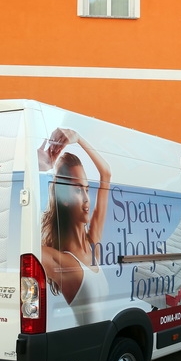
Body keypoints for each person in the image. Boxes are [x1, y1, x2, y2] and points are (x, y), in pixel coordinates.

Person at [40, 128, 111, 325]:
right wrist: (35, 166)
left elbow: (106, 173)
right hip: (86, 339)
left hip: (104, 337)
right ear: (63, 198)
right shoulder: (58, 259)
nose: (87, 199)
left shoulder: (93, 243)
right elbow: (18, 246)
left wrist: (79, 138)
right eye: (78, 190)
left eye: (86, 189)